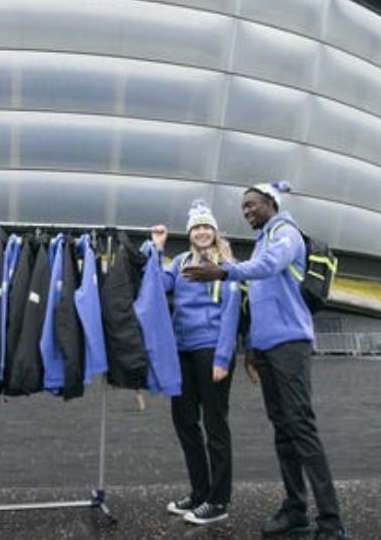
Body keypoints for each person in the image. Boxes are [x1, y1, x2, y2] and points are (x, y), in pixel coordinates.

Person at [182, 182, 348, 540]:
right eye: (243, 207)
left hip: (291, 344)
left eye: (252, 204)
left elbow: (270, 266)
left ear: (271, 203)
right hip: (268, 348)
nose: (247, 211)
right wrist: (253, 349)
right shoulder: (262, 241)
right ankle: (295, 509)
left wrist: (225, 271)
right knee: (283, 431)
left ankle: (332, 521)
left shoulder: (285, 233)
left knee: (301, 427)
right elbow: (257, 298)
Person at [151, 200, 241, 526]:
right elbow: (158, 286)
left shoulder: (227, 264)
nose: (202, 231)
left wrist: (222, 358)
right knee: (185, 423)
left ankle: (219, 500)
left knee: (216, 427)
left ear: (214, 232)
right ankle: (200, 492)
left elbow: (231, 314)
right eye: (196, 227)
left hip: (211, 352)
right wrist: (157, 250)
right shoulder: (180, 262)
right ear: (189, 234)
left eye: (207, 226)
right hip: (182, 352)